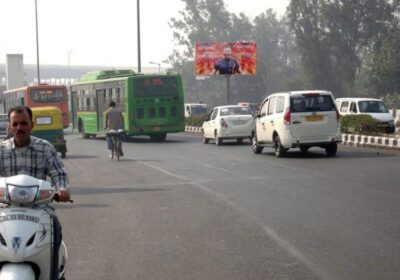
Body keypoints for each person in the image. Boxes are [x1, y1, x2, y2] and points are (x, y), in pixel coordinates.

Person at [0, 105, 71, 279]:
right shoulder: (1, 150)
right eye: (15, 124)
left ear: (31, 125)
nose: (19, 128)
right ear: (10, 127)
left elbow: (58, 173)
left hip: (39, 210)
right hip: (4, 211)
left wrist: (62, 189)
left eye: (23, 123)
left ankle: (53, 274)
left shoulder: (45, 148)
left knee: (54, 226)